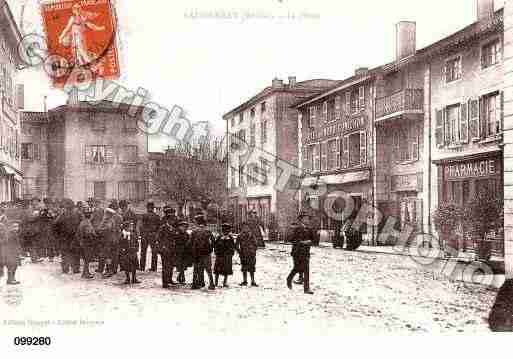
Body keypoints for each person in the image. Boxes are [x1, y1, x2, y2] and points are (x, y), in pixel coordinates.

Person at [286, 212, 315, 295]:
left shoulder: (309, 229)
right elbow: (291, 239)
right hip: (297, 252)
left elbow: (313, 239)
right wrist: (303, 242)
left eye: (308, 218)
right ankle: (289, 278)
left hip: (306, 252)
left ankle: (306, 289)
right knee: (297, 268)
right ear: (301, 219)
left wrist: (311, 241)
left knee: (306, 270)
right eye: (306, 218)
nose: (307, 220)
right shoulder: (297, 228)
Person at [53, 199, 82, 274]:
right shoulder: (78, 213)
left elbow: (55, 224)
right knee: (75, 253)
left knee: (65, 253)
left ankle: (66, 269)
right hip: (74, 237)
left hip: (65, 237)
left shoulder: (63, 214)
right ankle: (75, 268)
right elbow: (81, 224)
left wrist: (58, 235)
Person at [191, 214, 215, 290]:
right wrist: (210, 249)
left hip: (197, 253)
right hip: (206, 253)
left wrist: (192, 250)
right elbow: (213, 242)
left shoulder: (194, 231)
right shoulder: (208, 231)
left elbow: (190, 242)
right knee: (208, 269)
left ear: (197, 222)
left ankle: (195, 284)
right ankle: (211, 284)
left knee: (196, 268)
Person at [155, 211, 176, 288]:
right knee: (165, 266)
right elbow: (158, 238)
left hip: (171, 249)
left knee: (171, 265)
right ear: (168, 220)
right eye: (171, 220)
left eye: (173, 220)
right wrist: (162, 246)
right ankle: (165, 282)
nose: (172, 221)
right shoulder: (163, 228)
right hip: (165, 250)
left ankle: (169, 279)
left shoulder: (173, 228)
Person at [139, 202, 161, 271]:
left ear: (147, 208)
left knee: (143, 252)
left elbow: (141, 226)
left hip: (145, 235)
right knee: (154, 252)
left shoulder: (144, 216)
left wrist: (142, 234)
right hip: (153, 235)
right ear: (153, 208)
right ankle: (154, 267)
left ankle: (142, 267)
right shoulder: (157, 216)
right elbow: (159, 227)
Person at [235, 222, 258, 287]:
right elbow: (236, 245)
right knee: (244, 268)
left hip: (251, 254)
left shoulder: (252, 235)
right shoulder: (239, 236)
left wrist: (253, 251)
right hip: (243, 254)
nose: (245, 228)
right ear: (242, 228)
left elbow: (256, 244)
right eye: (244, 227)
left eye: (246, 227)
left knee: (252, 268)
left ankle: (253, 281)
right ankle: (245, 281)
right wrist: (240, 252)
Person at [76, 206, 96, 279]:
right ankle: (85, 273)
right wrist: (93, 235)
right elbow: (88, 233)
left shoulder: (83, 222)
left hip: (83, 242)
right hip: (87, 243)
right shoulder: (86, 223)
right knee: (87, 259)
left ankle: (85, 272)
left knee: (86, 259)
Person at [97, 207, 117, 277]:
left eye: (107, 213)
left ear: (109, 214)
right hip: (106, 240)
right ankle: (108, 269)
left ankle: (109, 270)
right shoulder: (106, 220)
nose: (105, 215)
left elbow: (107, 229)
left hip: (109, 241)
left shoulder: (110, 221)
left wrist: (100, 230)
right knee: (106, 255)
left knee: (108, 256)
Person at [214, 223, 236, 288]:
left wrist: (231, 254)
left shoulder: (230, 238)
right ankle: (216, 282)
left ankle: (224, 282)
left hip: (227, 256)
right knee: (217, 270)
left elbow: (232, 247)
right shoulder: (219, 237)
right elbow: (215, 245)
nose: (225, 231)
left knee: (226, 270)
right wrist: (217, 252)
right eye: (224, 230)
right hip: (220, 256)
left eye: (227, 230)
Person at [0, 221, 22, 285]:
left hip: (15, 252)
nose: (16, 228)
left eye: (17, 226)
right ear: (11, 227)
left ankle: (12, 278)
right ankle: (10, 279)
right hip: (10, 252)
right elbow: (6, 242)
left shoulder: (15, 233)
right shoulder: (9, 234)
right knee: (11, 266)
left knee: (15, 266)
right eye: (14, 226)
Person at [119, 220, 140, 285]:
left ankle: (134, 278)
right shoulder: (123, 234)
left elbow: (136, 241)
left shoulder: (133, 233)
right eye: (130, 226)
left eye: (132, 226)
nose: (132, 227)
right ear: (126, 227)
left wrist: (137, 248)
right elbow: (120, 242)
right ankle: (127, 278)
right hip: (126, 252)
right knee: (126, 266)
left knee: (134, 265)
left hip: (133, 251)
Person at [174, 220, 190, 284]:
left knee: (183, 265)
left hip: (185, 252)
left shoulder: (187, 234)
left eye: (186, 227)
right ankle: (182, 278)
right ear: (180, 227)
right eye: (183, 226)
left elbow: (189, 242)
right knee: (180, 265)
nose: (184, 228)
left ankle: (180, 277)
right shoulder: (177, 233)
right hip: (178, 251)